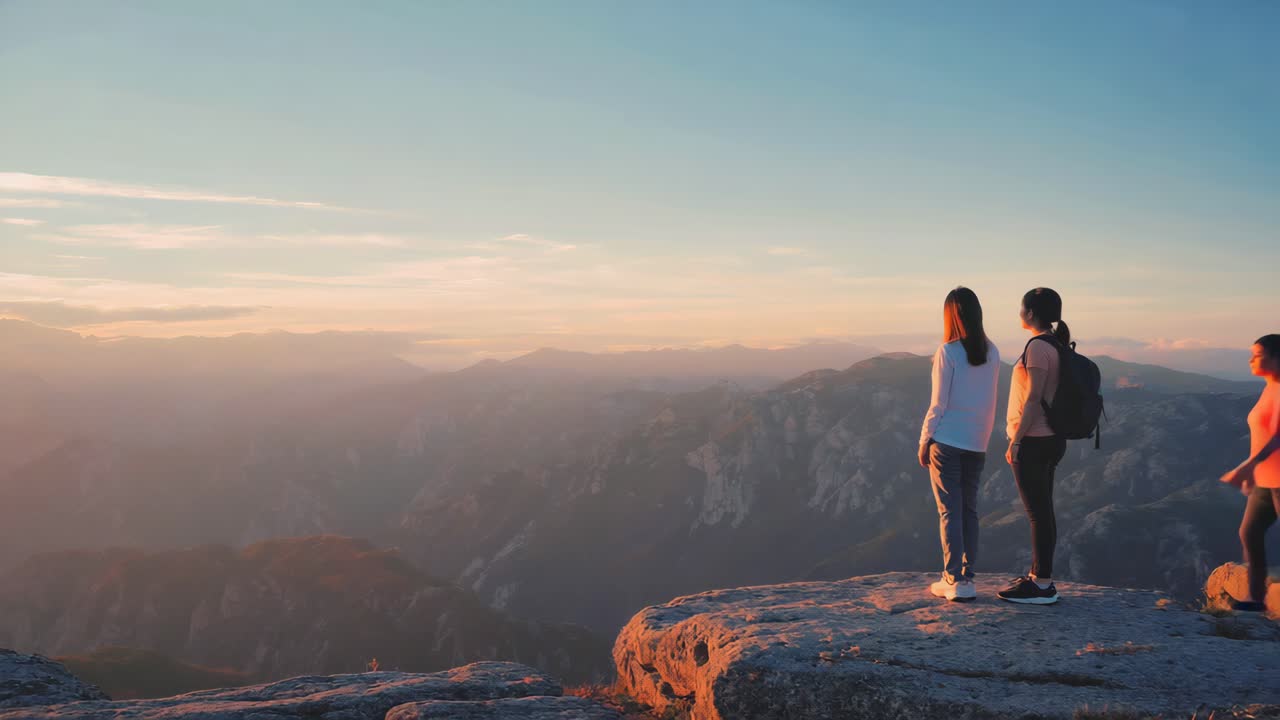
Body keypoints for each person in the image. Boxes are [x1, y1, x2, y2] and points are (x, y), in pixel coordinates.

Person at [919, 287, 1000, 602]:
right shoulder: (991, 351)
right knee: (969, 509)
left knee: (949, 512)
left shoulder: (948, 352)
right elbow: (989, 400)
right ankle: (967, 577)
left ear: (950, 316)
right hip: (977, 442)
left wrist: (925, 440)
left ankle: (953, 579)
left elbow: (938, 404)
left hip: (948, 441)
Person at [998, 287, 1070, 605]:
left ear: (1029, 313)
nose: (1019, 313)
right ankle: (1040, 577)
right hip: (1051, 438)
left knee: (1037, 514)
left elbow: (1033, 398)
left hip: (1035, 439)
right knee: (1043, 511)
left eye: (1021, 308)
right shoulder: (1055, 344)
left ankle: (1041, 584)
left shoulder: (1038, 347)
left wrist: (1016, 440)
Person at [1219, 334, 1280, 612]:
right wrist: (1254, 472)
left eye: (1257, 354)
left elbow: (1277, 437)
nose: (1251, 359)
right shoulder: (1270, 387)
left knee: (1251, 533)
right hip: (1266, 481)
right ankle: (1257, 600)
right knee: (1249, 533)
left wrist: (1245, 468)